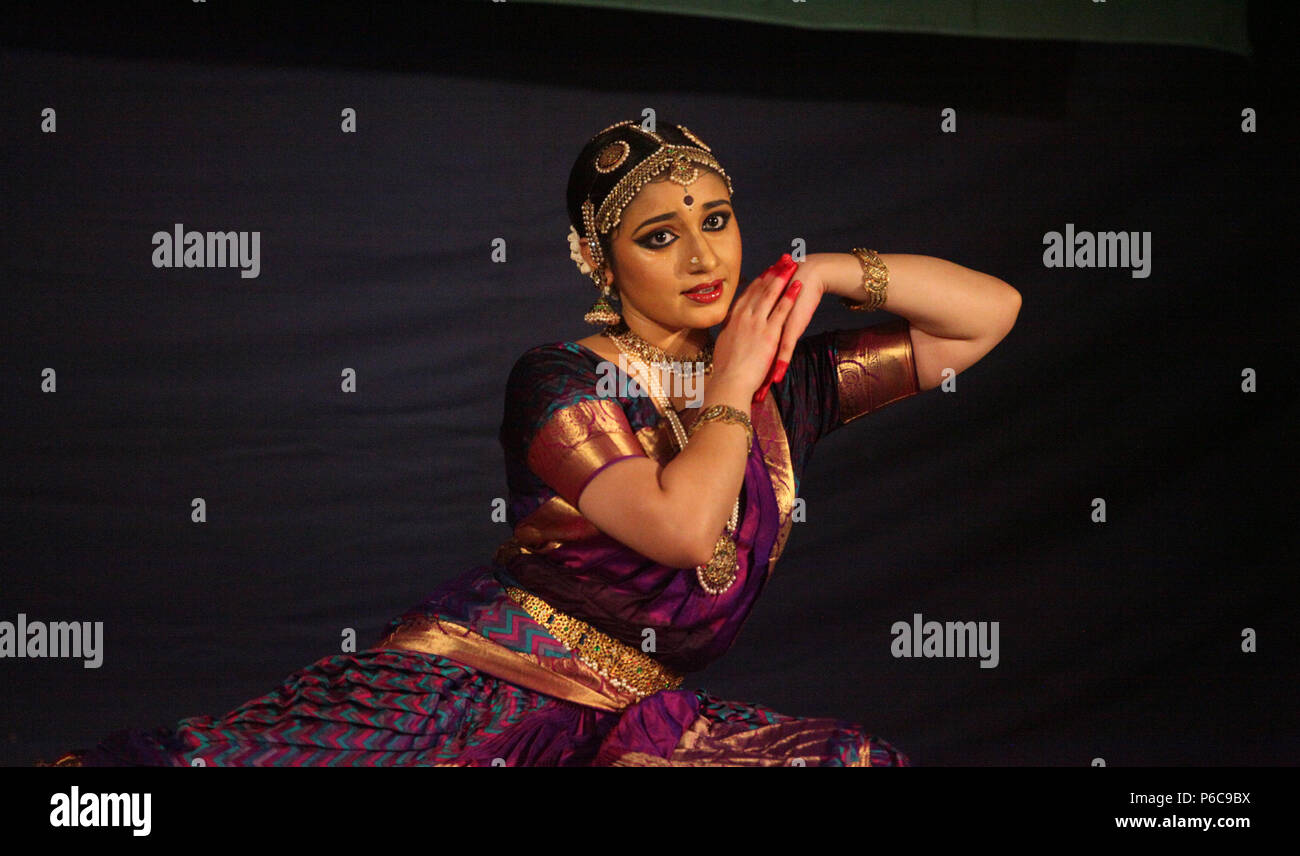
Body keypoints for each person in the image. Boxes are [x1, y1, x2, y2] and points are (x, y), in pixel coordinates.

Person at [42, 118, 1019, 766]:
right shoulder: (560, 379)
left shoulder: (776, 378)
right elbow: (682, 530)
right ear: (596, 258)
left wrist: (829, 271)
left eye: (715, 221)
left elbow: (985, 315)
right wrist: (730, 382)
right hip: (472, 689)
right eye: (657, 235)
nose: (701, 255)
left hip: (634, 718)